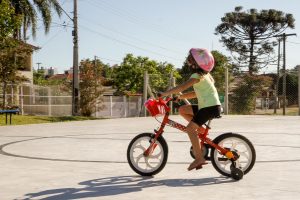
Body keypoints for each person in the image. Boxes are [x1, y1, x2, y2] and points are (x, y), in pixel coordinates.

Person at [160, 48, 221, 171]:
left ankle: (199, 158)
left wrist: (164, 94)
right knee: (182, 109)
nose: (188, 62)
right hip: (209, 105)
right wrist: (180, 97)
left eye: (190, 60)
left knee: (189, 129)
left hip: (209, 107)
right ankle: (200, 129)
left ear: (197, 63)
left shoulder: (196, 75)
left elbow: (182, 86)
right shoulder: (205, 75)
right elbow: (196, 93)